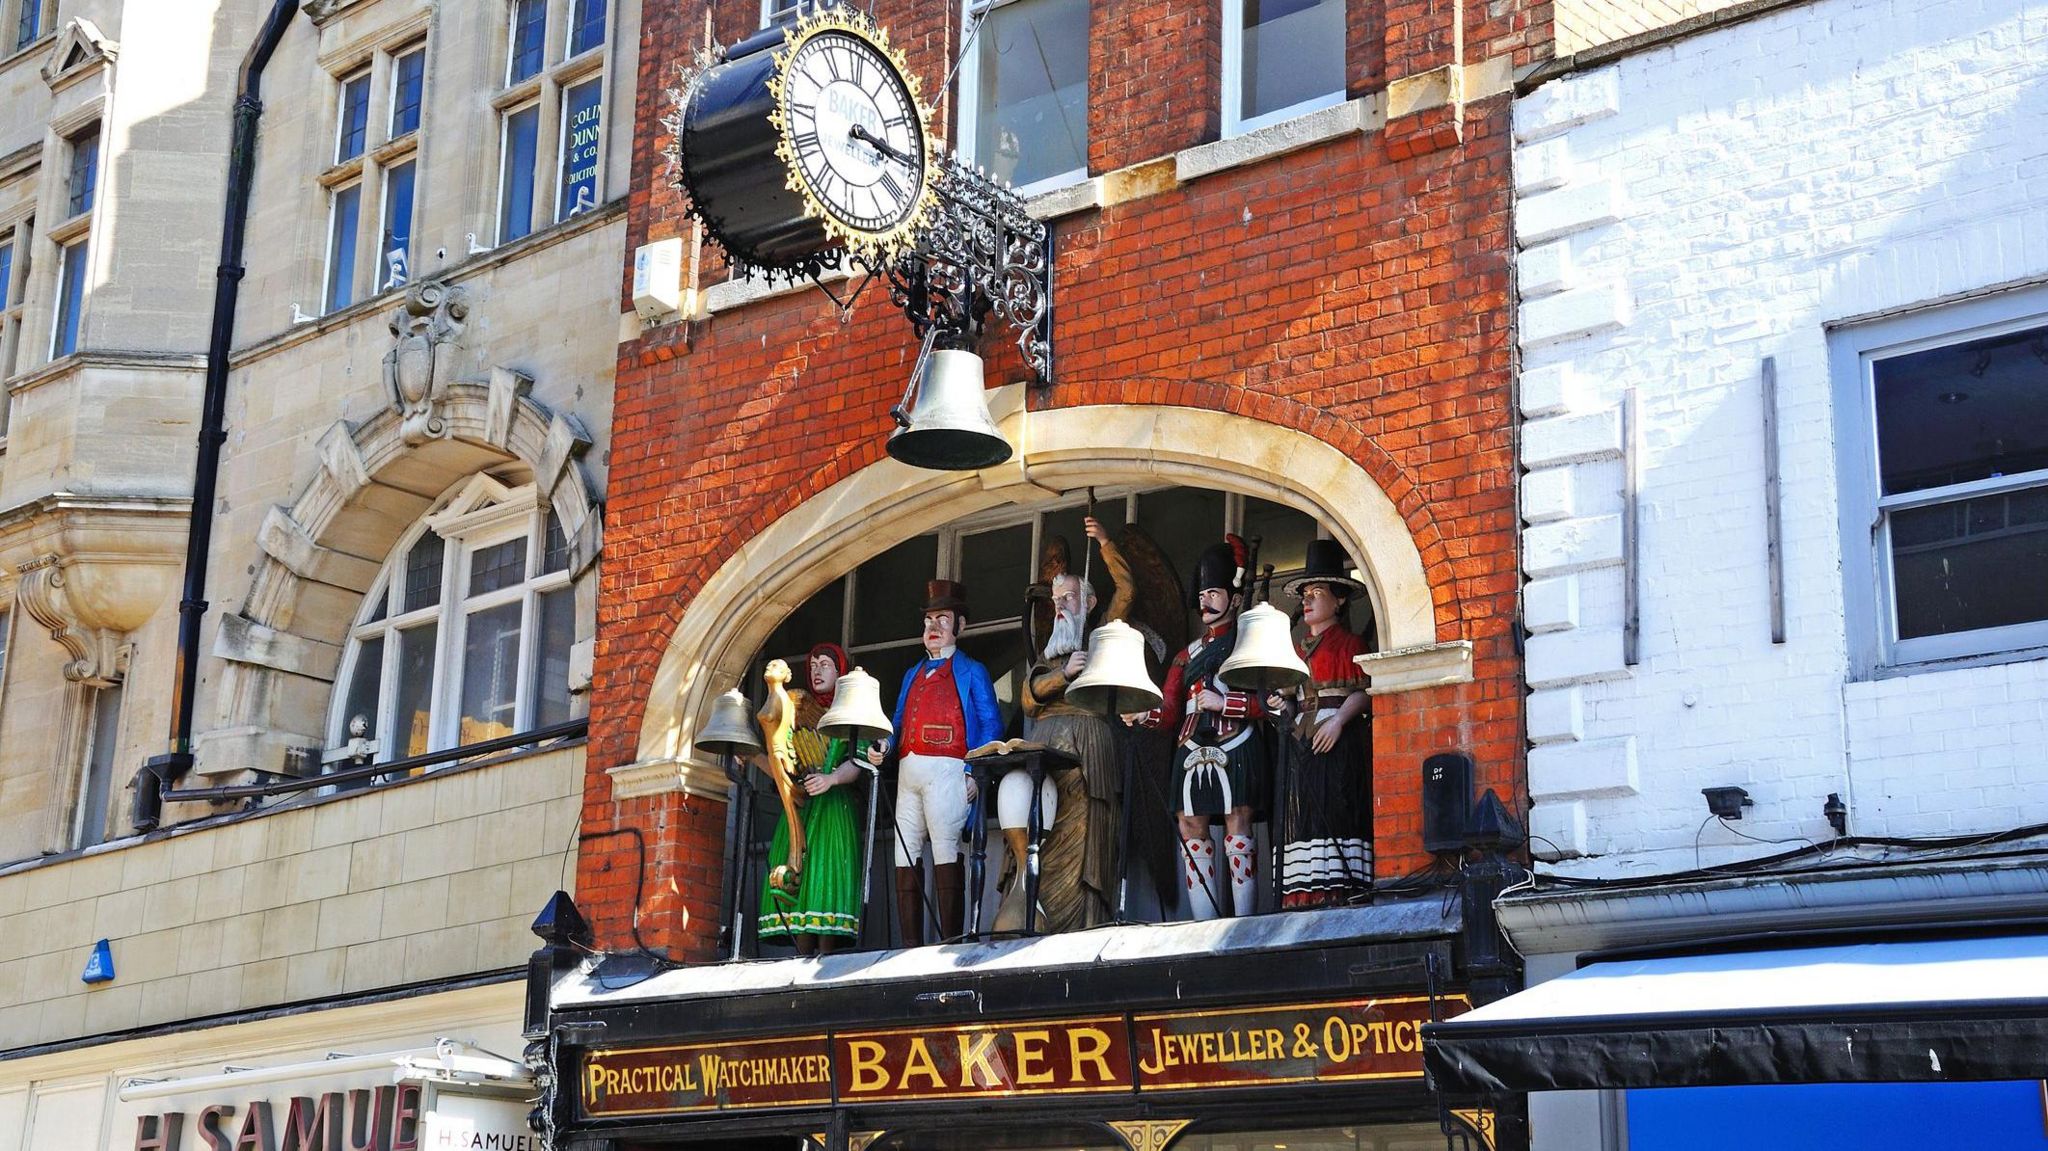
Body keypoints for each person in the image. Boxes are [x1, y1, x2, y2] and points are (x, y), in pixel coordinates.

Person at [1131, 535, 1268, 920]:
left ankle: (1243, 920)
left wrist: (1227, 703)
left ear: (1236, 598)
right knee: (1191, 824)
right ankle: (1203, 923)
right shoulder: (1185, 655)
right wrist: (1143, 714)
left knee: (1237, 819)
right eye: (1203, 593)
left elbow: (1272, 703)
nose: (1206, 601)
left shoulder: (1250, 644)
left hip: (1237, 741)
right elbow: (1170, 709)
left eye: (1215, 592)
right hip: (1191, 746)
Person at [1009, 516, 1132, 932]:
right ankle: (1030, 917)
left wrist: (1104, 543)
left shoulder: (1100, 637)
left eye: (1070, 597)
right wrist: (1063, 675)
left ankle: (1082, 924)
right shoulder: (1051, 654)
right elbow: (1028, 697)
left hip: (1086, 754)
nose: (1060, 606)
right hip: (1043, 752)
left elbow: (1129, 590)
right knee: (1036, 833)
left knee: (1085, 844)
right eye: (1057, 599)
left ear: (1090, 604)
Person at [889, 580, 1002, 946]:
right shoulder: (912, 674)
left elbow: (990, 724)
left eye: (942, 619)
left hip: (948, 770)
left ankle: (950, 940)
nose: (933, 628)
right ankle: (910, 946)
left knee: (944, 848)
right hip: (909, 772)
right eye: (928, 621)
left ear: (960, 626)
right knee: (905, 851)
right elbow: (897, 722)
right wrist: (884, 745)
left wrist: (975, 769)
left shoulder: (972, 671)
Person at [758, 643, 885, 953]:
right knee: (801, 881)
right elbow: (783, 767)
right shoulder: (798, 715)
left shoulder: (849, 713)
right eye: (813, 665)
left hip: (834, 812)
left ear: (840, 671)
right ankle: (802, 952)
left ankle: (826, 952)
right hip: (804, 810)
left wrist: (831, 779)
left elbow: (857, 760)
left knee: (826, 880)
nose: (816, 670)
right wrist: (752, 757)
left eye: (825, 665)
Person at [1271, 540, 1373, 907]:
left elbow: (1365, 692)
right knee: (1302, 816)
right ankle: (1302, 893)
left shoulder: (1350, 644)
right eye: (1305, 594)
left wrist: (1340, 721)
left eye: (1317, 593)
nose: (1307, 600)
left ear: (1339, 599)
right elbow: (1288, 700)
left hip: (1336, 742)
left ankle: (1337, 889)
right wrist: (1280, 704)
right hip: (1302, 743)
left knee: (1335, 809)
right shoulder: (1295, 652)